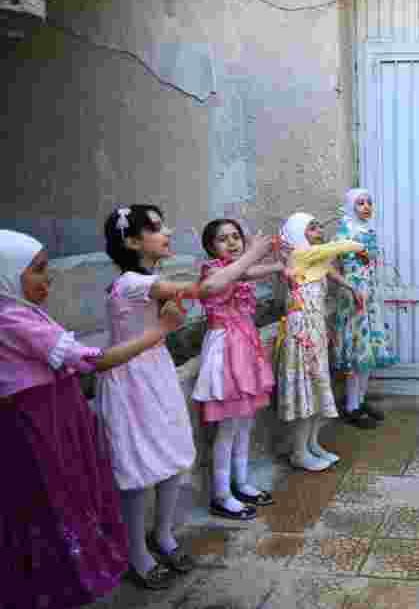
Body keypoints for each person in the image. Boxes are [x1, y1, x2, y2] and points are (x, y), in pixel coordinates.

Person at [0, 229, 186, 605]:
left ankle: (75, 569)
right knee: (51, 501)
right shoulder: (11, 319)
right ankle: (58, 581)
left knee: (67, 496)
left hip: (55, 415)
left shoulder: (22, 310)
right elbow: (95, 361)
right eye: (37, 270)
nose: (47, 277)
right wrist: (161, 330)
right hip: (37, 422)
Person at [95, 205, 201, 589]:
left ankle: (164, 536)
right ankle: (136, 553)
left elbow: (170, 316)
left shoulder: (152, 276)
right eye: (155, 228)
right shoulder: (130, 283)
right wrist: (254, 256)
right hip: (130, 378)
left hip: (157, 371)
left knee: (172, 455)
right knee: (137, 470)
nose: (166, 232)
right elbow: (201, 290)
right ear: (131, 241)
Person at [193, 219, 285, 520]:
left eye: (236, 237)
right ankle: (221, 493)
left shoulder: (237, 269)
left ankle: (241, 481)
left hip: (245, 347)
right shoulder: (212, 271)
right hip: (225, 351)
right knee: (228, 426)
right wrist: (256, 254)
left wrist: (276, 265)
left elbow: (249, 271)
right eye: (223, 239)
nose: (232, 243)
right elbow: (239, 272)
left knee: (245, 421)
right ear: (210, 247)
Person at [273, 213, 364, 470]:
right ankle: (299, 452)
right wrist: (358, 244)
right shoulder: (298, 256)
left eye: (318, 227)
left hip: (315, 332)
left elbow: (329, 268)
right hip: (301, 335)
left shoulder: (313, 260)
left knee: (316, 389)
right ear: (297, 234)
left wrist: (351, 287)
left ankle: (312, 445)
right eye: (312, 228)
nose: (318, 232)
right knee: (306, 392)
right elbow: (338, 248)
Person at [332, 188, 398, 429]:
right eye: (360, 203)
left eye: (369, 202)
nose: (366, 207)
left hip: (369, 294)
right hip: (353, 294)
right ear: (351, 206)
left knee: (368, 351)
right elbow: (342, 264)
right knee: (357, 352)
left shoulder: (368, 230)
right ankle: (351, 407)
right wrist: (352, 287)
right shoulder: (344, 231)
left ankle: (360, 401)